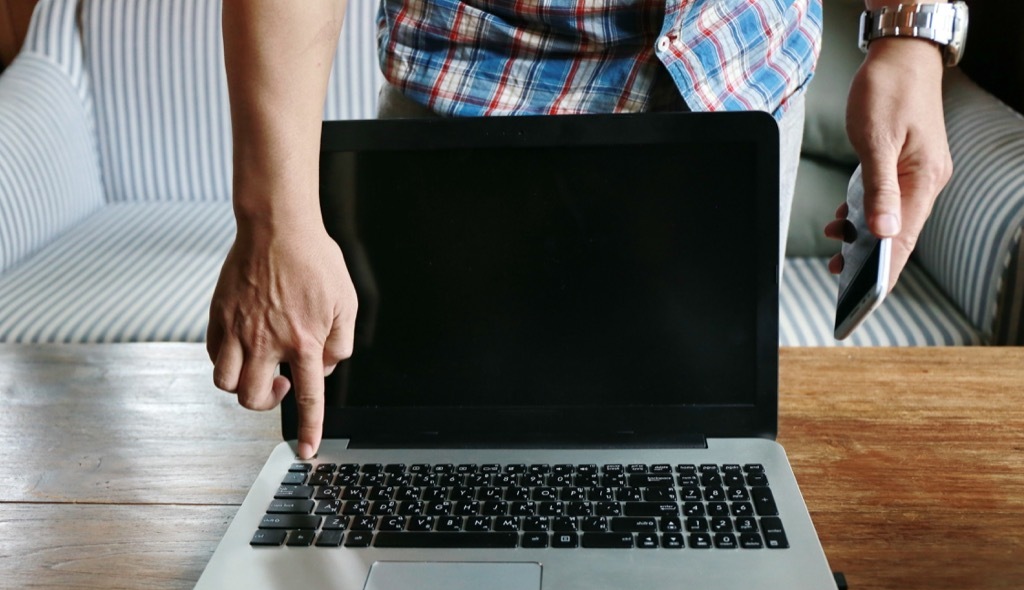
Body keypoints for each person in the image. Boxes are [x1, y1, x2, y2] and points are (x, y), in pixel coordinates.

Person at [208, 0, 954, 459]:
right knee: (426, 464)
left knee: (701, 456)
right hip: (474, 107)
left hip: (735, 83)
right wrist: (275, 218)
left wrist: (910, 37)